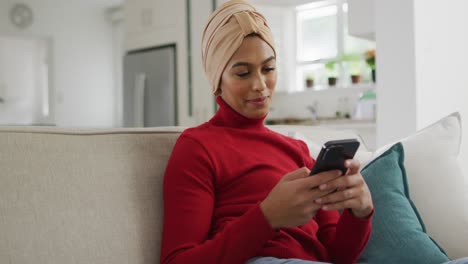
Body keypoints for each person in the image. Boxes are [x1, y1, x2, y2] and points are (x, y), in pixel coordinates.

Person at [160, 1, 374, 263]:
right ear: (217, 80)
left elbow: (338, 255)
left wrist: (360, 213)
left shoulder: (298, 152)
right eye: (242, 73)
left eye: (268, 69)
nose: (260, 85)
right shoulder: (197, 147)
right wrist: (267, 217)